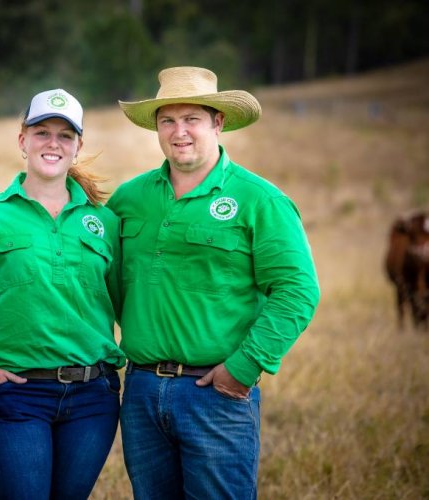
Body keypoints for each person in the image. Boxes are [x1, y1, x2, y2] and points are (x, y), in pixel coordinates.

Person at [107, 66, 320, 499]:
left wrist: (242, 369)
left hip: (215, 393)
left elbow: (298, 291)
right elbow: (105, 282)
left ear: (218, 122)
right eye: (167, 120)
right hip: (142, 391)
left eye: (192, 120)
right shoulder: (129, 199)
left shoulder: (259, 201)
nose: (179, 132)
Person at [0, 88, 125, 499]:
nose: (52, 143)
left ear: (77, 147)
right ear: (22, 140)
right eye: (42, 132)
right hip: (13, 396)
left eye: (65, 135)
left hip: (92, 399)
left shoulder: (103, 222)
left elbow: (127, 303)